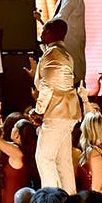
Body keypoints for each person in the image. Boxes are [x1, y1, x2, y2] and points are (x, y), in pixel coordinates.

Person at [32, 18, 80, 193]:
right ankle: (68, 197)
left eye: (44, 30)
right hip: (66, 113)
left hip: (57, 112)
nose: (42, 34)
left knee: (44, 157)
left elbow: (47, 85)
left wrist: (38, 111)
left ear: (53, 34)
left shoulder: (54, 53)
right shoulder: (62, 52)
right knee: (62, 160)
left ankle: (51, 201)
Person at [36, 0, 86, 86]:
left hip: (70, 40)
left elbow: (62, 17)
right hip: (67, 39)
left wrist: (45, 26)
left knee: (72, 73)